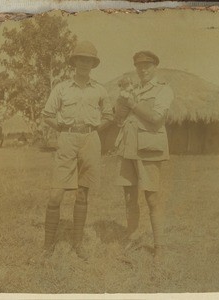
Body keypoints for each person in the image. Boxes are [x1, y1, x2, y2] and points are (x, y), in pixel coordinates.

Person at [41, 41, 113, 260]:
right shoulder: (61, 88)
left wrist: (92, 131)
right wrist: (63, 128)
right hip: (67, 139)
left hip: (90, 140)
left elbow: (109, 116)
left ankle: (78, 243)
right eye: (80, 59)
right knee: (56, 194)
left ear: (93, 64)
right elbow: (47, 115)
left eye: (88, 60)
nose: (84, 63)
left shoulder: (100, 90)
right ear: (74, 62)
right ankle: (47, 246)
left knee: (83, 193)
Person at [114, 51, 174, 263]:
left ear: (155, 67)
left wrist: (131, 104)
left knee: (152, 198)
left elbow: (156, 118)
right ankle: (132, 238)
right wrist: (122, 102)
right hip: (128, 148)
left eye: (147, 65)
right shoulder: (132, 89)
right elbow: (119, 118)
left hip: (149, 149)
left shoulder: (163, 90)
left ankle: (159, 246)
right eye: (139, 66)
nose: (143, 69)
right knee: (129, 197)